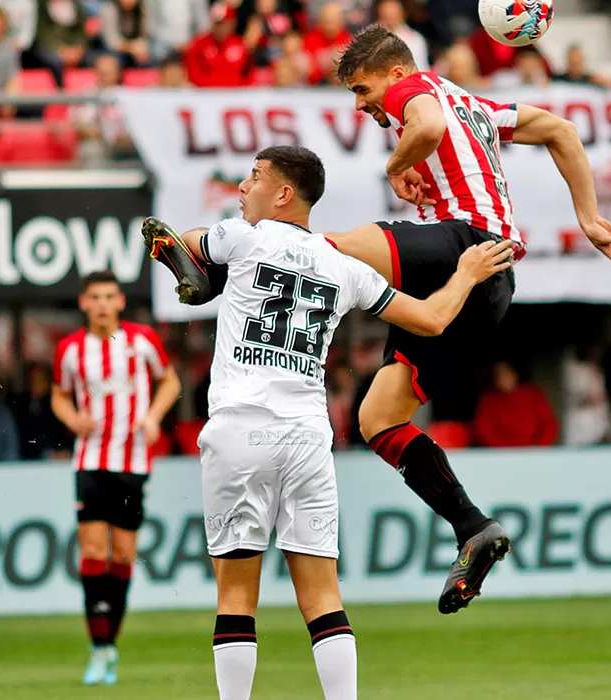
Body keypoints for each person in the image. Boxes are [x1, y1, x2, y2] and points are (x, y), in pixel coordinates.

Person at [141, 144, 512, 700]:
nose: (243, 188)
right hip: (307, 435)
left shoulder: (243, 236)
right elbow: (433, 319)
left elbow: (178, 241)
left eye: (254, 177)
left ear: (284, 193)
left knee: (237, 597)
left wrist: (189, 264)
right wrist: (463, 274)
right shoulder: (345, 267)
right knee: (322, 599)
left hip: (240, 427)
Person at [322, 25, 611, 614]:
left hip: (467, 245)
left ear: (393, 74)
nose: (361, 106)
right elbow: (561, 130)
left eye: (362, 90)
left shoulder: (411, 90)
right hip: (486, 285)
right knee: (377, 418)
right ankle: (472, 528)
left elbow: (428, 127)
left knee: (330, 248)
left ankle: (226, 258)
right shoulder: (478, 106)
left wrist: (396, 165)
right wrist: (589, 218)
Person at [51, 269, 182, 686]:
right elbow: (59, 392)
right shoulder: (71, 349)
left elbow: (169, 381)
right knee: (92, 551)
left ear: (121, 302)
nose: (103, 304)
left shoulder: (142, 340)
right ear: (84, 303)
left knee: (123, 555)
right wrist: (72, 417)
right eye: (96, 297)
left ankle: (110, 646)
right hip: (90, 459)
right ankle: (98, 647)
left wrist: (154, 417)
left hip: (133, 461)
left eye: (110, 296)